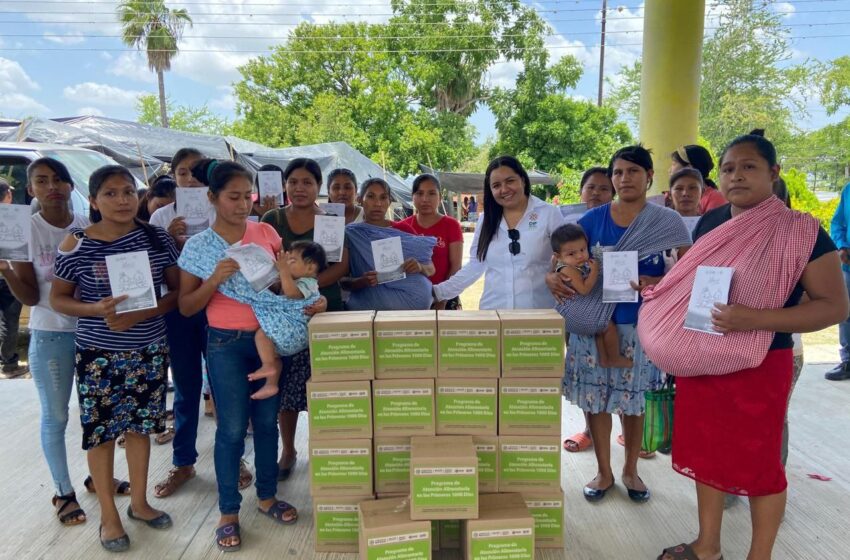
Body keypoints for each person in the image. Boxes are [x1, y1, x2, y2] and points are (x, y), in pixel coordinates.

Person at [638, 130, 848, 560]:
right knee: (706, 453)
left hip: (761, 363)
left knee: (759, 465)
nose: (736, 176)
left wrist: (756, 319)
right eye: (728, 169)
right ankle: (707, 545)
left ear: (773, 173)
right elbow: (696, 286)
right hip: (702, 355)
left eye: (748, 167)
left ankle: (759, 555)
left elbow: (834, 307)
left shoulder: (801, 231)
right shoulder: (713, 223)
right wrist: (661, 287)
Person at [177, 160, 319, 552]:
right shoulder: (200, 246)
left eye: (247, 197)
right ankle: (228, 512)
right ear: (212, 198)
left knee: (268, 422)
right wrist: (214, 281)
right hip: (225, 343)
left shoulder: (266, 232)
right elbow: (187, 306)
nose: (242, 205)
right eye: (233, 197)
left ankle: (268, 496)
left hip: (267, 339)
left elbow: (288, 280)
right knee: (232, 429)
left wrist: (306, 300)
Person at [552, 145, 692, 505]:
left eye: (632, 171)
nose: (624, 178)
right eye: (617, 173)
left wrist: (657, 282)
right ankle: (604, 471)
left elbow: (689, 269)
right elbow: (562, 259)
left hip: (641, 324)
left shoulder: (667, 222)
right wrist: (553, 278)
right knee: (595, 400)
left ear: (649, 177)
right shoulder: (592, 221)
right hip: (594, 323)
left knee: (634, 403)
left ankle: (630, 470)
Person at [0, 158, 134, 527]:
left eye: (59, 179)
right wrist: (7, 271)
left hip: (97, 334)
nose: (52, 186)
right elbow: (29, 296)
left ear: (73, 187)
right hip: (51, 333)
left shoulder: (88, 225)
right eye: (42, 181)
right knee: (56, 415)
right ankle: (63, 490)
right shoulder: (23, 230)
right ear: (31, 190)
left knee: (99, 417)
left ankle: (98, 478)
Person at [51, 165, 178, 552]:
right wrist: (95, 309)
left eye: (128, 192)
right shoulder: (76, 244)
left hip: (149, 349)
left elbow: (177, 293)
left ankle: (139, 503)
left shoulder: (157, 239)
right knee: (103, 435)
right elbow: (59, 298)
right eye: (110, 193)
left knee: (141, 429)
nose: (122, 200)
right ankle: (109, 515)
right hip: (98, 355)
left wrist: (141, 314)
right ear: (93, 200)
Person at [150, 148, 245, 496]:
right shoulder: (161, 218)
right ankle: (183, 463)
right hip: (181, 309)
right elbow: (158, 269)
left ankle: (235, 460)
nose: (189, 178)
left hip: (221, 308)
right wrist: (172, 240)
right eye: (182, 173)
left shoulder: (221, 210)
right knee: (187, 388)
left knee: (225, 388)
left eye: (195, 173)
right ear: (174, 177)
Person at [261, 158, 346, 481]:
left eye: (307, 182)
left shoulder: (331, 220)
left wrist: (311, 295)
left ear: (318, 187)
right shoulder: (271, 218)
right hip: (283, 317)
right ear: (285, 185)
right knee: (287, 389)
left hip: (323, 311)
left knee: (324, 385)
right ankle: (288, 450)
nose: (300, 188)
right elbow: (261, 260)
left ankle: (325, 449)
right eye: (293, 181)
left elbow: (341, 266)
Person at [433, 155, 564, 310]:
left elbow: (568, 257)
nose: (504, 189)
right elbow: (476, 265)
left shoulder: (549, 214)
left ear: (522, 179)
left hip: (539, 315)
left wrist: (557, 273)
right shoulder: (486, 220)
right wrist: (437, 292)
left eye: (510, 181)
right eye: (496, 185)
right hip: (493, 315)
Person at [563, 166, 616, 454]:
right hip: (578, 311)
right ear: (581, 191)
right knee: (586, 375)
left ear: (613, 193)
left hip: (618, 311)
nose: (596, 193)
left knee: (620, 373)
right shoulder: (571, 225)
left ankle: (630, 429)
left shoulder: (623, 222)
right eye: (591, 187)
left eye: (604, 188)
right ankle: (588, 430)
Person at [343, 177, 437, 311]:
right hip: (368, 313)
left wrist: (420, 267)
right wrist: (361, 282)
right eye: (371, 197)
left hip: (409, 315)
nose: (377, 203)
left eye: (383, 198)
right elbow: (341, 281)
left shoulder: (403, 229)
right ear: (360, 200)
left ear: (389, 202)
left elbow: (431, 269)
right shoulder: (352, 234)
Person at [249, 241, 326, 400]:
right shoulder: (295, 280)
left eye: (292, 261)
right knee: (274, 355)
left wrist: (283, 271)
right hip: (289, 337)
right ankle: (271, 383)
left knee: (261, 335)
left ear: (310, 268)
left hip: (293, 333)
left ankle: (267, 365)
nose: (286, 264)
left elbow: (292, 294)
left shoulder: (308, 283)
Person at [552, 224, 631, 368]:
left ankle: (604, 359)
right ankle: (613, 357)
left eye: (582, 249)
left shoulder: (570, 265)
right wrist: (595, 271)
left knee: (599, 329)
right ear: (558, 256)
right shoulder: (568, 270)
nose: (580, 256)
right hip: (574, 315)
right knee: (607, 326)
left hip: (578, 315)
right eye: (571, 254)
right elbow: (584, 289)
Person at [395, 173, 463, 309]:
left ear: (440, 196)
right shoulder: (402, 227)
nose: (425, 199)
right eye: (419, 193)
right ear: (412, 197)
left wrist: (442, 299)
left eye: (431, 193)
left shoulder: (451, 225)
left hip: (445, 298)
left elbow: (455, 266)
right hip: (410, 299)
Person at [0, 179, 25, 377]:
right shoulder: (15, 218)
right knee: (9, 321)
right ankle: (8, 364)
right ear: (7, 194)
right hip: (8, 275)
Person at [827, 177, 850, 380]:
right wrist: (842, 245)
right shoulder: (848, 191)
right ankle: (847, 361)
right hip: (849, 265)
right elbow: (837, 223)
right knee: (846, 315)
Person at [670, 145, 726, 213]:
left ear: (689, 168)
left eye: (673, 164)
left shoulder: (715, 198)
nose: (669, 170)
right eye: (679, 188)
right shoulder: (670, 196)